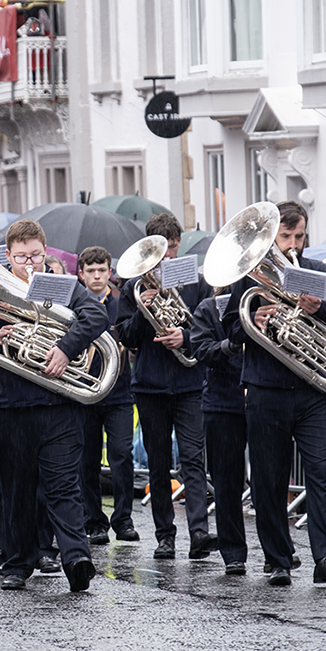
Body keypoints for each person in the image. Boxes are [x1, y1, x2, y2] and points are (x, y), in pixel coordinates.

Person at [222, 201, 326, 586]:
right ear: (271, 237)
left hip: (311, 390)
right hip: (265, 390)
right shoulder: (250, 280)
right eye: (285, 236)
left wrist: (322, 307)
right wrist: (256, 319)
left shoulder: (316, 272)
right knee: (269, 478)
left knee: (320, 473)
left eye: (299, 236)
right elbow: (231, 331)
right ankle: (279, 558)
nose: (293, 244)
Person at [0, 219, 104, 592]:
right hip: (12, 406)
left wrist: (65, 347)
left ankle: (77, 558)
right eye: (22, 256)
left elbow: (97, 316)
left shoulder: (64, 287)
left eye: (37, 255)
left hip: (60, 404)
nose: (30, 263)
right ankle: (16, 564)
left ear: (46, 253)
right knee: (17, 490)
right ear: (7, 256)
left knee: (63, 486)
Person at [116, 212, 215, 562]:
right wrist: (144, 310)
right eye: (162, 251)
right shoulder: (132, 286)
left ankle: (199, 532)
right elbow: (124, 335)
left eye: (173, 248)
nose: (169, 257)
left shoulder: (196, 281)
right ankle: (165, 536)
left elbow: (206, 329)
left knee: (192, 458)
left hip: (189, 383)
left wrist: (184, 336)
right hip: (150, 384)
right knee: (158, 463)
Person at [76, 247, 139, 545]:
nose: (97, 276)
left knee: (121, 456)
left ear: (110, 273)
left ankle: (123, 520)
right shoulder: (75, 307)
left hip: (119, 393)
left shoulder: (119, 305)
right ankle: (94, 521)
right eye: (91, 271)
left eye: (102, 270)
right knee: (86, 460)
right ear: (81, 274)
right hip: (85, 393)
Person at [190, 289, 250, 575]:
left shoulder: (257, 302)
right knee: (227, 483)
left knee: (268, 480)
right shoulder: (207, 308)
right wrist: (231, 344)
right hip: (222, 401)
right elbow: (201, 350)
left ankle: (277, 555)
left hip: (260, 399)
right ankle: (233, 552)